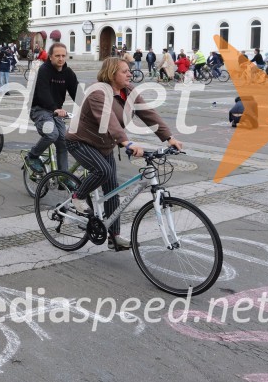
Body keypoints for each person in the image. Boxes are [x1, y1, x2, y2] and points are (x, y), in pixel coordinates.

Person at [67, 57, 183, 250]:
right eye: (124, 71)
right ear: (112, 74)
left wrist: (169, 137)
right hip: (80, 141)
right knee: (103, 171)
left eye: (129, 70)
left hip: (103, 145)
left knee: (112, 190)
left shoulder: (128, 92)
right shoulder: (97, 92)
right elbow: (109, 119)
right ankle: (78, 196)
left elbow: (148, 113)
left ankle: (114, 237)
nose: (130, 73)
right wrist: (125, 141)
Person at [23, 42, 78, 177]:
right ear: (50, 57)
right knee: (52, 134)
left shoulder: (68, 73)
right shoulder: (44, 70)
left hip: (55, 111)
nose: (61, 59)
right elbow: (43, 93)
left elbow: (78, 94)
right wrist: (55, 109)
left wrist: (91, 109)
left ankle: (63, 177)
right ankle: (32, 156)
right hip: (39, 109)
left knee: (63, 142)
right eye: (57, 55)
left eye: (63, 56)